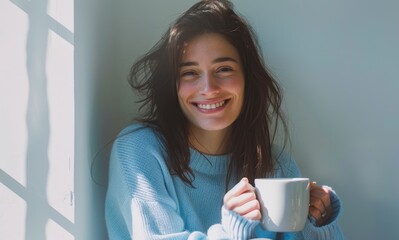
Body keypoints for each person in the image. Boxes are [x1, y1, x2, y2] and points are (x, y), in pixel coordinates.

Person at [105, 0, 344, 239]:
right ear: (174, 85)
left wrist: (319, 222)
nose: (208, 88)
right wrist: (231, 232)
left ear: (247, 78)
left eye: (224, 69)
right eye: (190, 73)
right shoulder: (141, 151)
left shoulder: (278, 167)